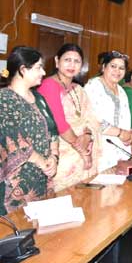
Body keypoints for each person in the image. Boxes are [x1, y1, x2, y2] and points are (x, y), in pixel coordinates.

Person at [0, 47, 58, 214]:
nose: (44, 72)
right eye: (39, 67)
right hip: (17, 182)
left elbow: (53, 131)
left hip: (43, 176)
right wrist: (41, 161)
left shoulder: (39, 98)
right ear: (23, 70)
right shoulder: (4, 100)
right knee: (16, 234)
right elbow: (11, 140)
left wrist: (53, 158)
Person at [38, 43, 100, 191]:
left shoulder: (78, 88)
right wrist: (83, 152)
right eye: (67, 60)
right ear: (57, 61)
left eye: (76, 61)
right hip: (62, 154)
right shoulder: (49, 85)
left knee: (85, 202)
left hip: (85, 148)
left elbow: (90, 118)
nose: (72, 65)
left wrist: (87, 134)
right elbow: (59, 124)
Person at [85, 51, 132, 171]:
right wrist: (120, 133)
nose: (117, 71)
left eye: (121, 68)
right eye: (113, 66)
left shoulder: (122, 91)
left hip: (120, 149)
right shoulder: (93, 86)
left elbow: (125, 121)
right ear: (104, 67)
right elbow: (92, 120)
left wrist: (128, 135)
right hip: (100, 149)